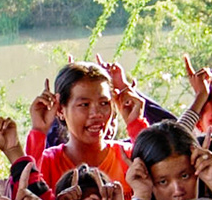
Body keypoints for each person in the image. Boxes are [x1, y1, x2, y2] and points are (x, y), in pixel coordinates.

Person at [24, 61, 149, 189]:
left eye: (104, 103)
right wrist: (38, 131)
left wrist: (135, 123)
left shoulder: (129, 157)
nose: (96, 114)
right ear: (61, 110)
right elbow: (25, 195)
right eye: (84, 105)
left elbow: (163, 180)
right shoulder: (47, 163)